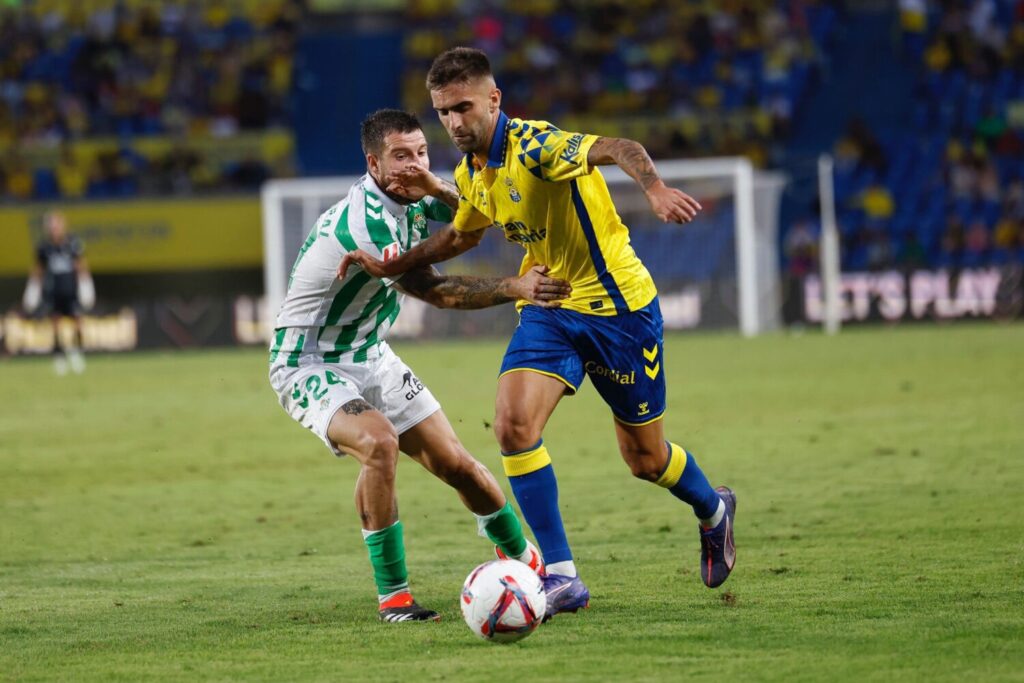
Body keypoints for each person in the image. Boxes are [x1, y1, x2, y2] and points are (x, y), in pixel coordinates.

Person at [339, 48, 737, 619]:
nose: (453, 123)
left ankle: (713, 509)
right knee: (512, 424)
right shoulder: (472, 172)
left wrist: (652, 189)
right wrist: (393, 264)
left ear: (494, 100)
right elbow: (457, 239)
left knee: (646, 461)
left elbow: (620, 148)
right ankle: (561, 575)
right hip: (549, 304)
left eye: (463, 108)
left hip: (620, 311)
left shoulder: (538, 146)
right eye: (443, 111)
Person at [268, 109, 572, 623]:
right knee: (379, 444)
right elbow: (435, 291)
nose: (413, 165)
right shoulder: (366, 222)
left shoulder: (413, 192)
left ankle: (530, 568)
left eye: (422, 153)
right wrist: (515, 288)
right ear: (374, 163)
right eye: (401, 157)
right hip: (308, 361)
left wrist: (434, 183)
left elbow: (481, 216)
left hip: (370, 353)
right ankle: (395, 599)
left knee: (459, 467)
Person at [23, 211, 94, 375]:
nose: (54, 229)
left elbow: (81, 265)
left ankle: (76, 351)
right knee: (55, 323)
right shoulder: (44, 248)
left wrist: (86, 285)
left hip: (71, 291)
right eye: (52, 226)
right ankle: (58, 355)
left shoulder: (73, 244)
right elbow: (38, 270)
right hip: (53, 291)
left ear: (63, 226)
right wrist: (32, 288)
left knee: (77, 320)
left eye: (57, 225)